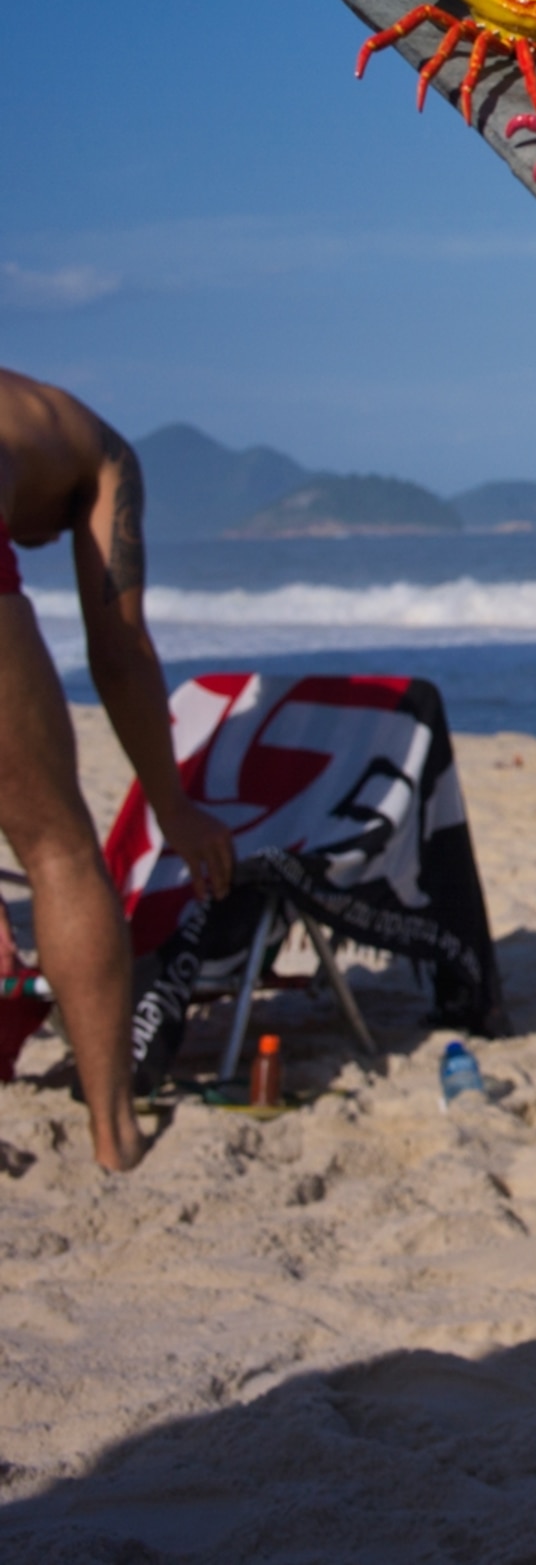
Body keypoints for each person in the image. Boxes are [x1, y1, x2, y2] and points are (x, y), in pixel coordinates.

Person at [0, 368, 236, 1172]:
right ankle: (113, 1129)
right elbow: (122, 655)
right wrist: (173, 807)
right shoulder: (101, 453)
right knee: (60, 849)